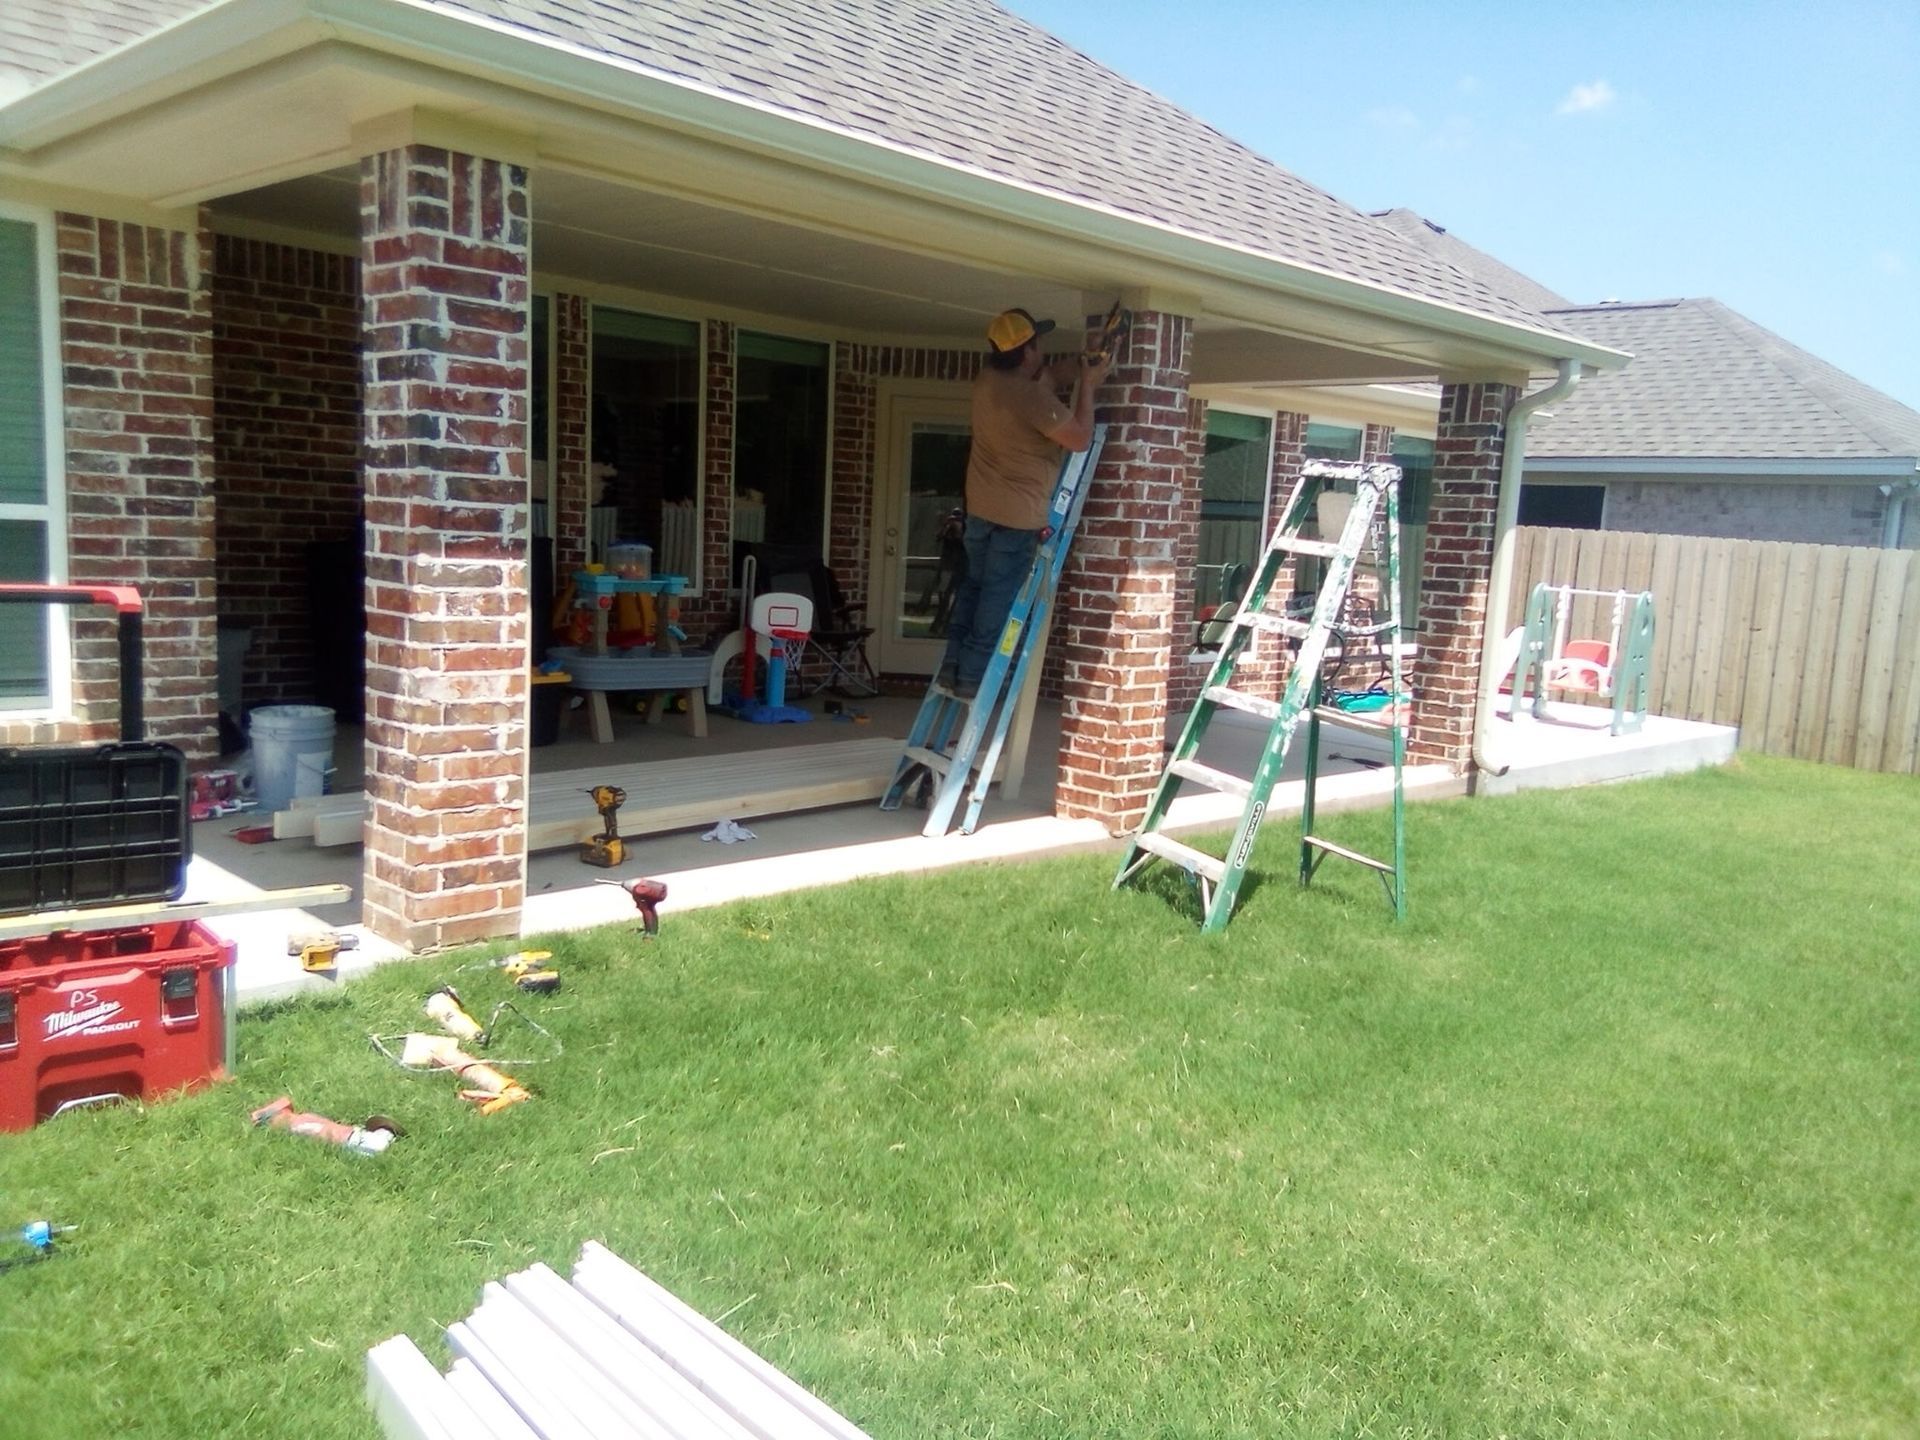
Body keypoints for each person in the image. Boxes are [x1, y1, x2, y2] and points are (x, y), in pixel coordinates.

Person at [938, 307, 1111, 699]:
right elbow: (1079, 439)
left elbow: (1047, 377)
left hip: (980, 511)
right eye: (1038, 344)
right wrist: (1088, 386)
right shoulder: (1030, 397)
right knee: (996, 597)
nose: (1042, 350)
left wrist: (1083, 362)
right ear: (1028, 351)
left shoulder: (988, 380)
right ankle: (972, 678)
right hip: (1016, 518)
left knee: (973, 589)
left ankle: (952, 667)